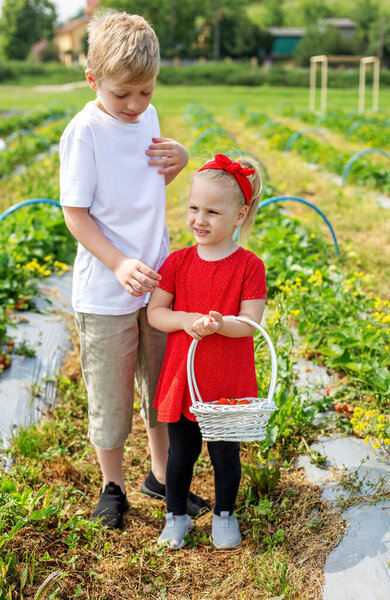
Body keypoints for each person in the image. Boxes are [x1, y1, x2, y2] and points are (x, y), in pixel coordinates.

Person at [59, 9, 208, 529]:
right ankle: (113, 485)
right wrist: (119, 262)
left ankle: (162, 476)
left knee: (161, 386)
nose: (135, 104)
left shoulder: (148, 114)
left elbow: (143, 188)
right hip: (106, 287)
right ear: (92, 79)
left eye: (145, 92)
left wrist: (183, 157)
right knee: (111, 392)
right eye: (122, 94)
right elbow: (75, 214)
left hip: (157, 284)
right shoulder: (85, 133)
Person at [147, 153, 267, 549]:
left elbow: (251, 323)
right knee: (181, 453)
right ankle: (176, 515)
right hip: (186, 376)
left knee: (225, 455)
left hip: (226, 378)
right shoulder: (178, 262)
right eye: (193, 207)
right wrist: (184, 320)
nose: (200, 219)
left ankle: (224, 515)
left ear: (239, 215)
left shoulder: (249, 266)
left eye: (213, 211)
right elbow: (156, 313)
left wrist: (220, 324)